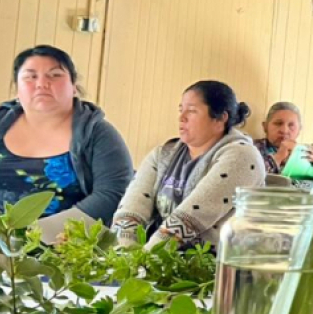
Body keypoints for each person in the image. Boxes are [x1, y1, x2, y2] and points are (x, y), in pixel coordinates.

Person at [0, 45, 132, 237]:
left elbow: (112, 195)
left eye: (54, 75)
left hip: (62, 250)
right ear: (17, 89)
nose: (42, 83)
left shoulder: (98, 134)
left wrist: (35, 238)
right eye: (30, 76)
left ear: (74, 87)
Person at [111, 81, 264, 248]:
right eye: (180, 110)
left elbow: (189, 219)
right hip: (157, 260)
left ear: (220, 118)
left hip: (211, 265)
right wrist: (123, 255)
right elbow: (131, 209)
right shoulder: (163, 154)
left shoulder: (241, 156)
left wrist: (142, 264)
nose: (181, 117)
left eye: (191, 111)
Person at [253, 101, 313, 176]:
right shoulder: (251, 148)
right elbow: (248, 177)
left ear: (299, 130)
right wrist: (278, 157)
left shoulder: (309, 153)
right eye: (278, 123)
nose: (284, 130)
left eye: (291, 125)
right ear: (265, 127)